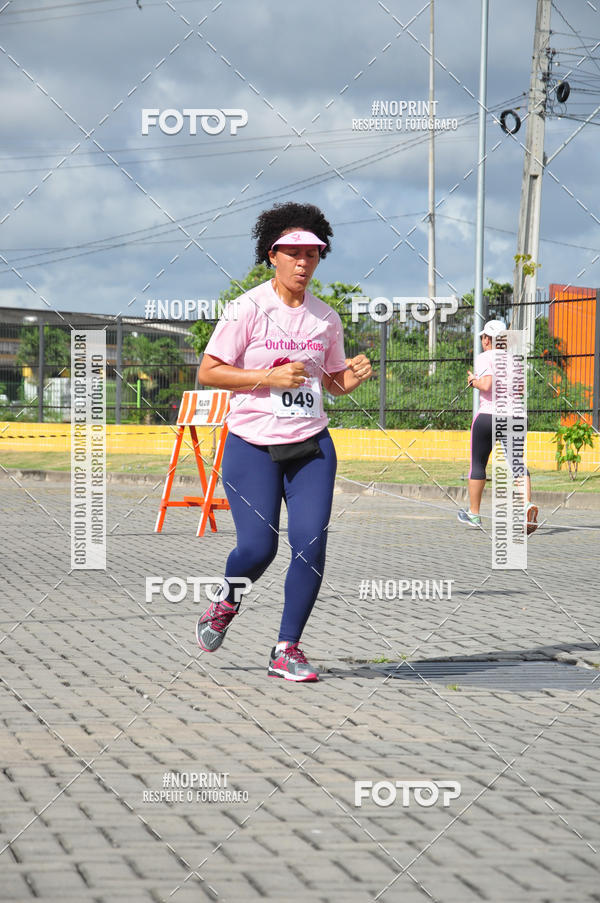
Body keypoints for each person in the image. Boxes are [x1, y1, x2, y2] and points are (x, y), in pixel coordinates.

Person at [195, 202, 372, 682]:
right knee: (258, 549)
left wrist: (349, 379)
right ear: (272, 254)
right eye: (293, 253)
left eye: (312, 254)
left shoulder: (325, 320)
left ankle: (286, 650)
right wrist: (267, 378)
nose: (302, 262)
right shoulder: (247, 308)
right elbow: (209, 371)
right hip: (251, 443)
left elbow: (328, 384)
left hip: (310, 444)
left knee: (310, 544)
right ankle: (227, 597)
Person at [457, 319, 539, 533]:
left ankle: (474, 514)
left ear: (486, 339)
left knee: (478, 463)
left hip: (489, 415)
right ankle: (527, 505)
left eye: (484, 338)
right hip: (517, 416)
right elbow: (519, 389)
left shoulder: (485, 357)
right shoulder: (515, 360)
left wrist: (473, 381)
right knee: (517, 462)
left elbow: (486, 384)